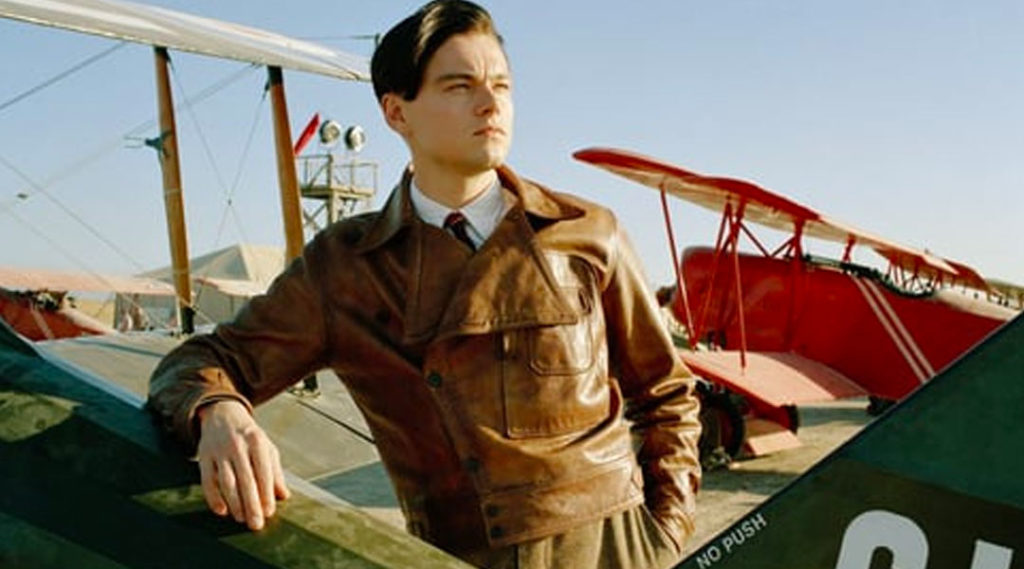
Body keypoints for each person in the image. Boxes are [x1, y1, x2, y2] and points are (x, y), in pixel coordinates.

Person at [147, 1, 701, 567]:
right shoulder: (347, 267)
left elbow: (667, 393)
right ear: (396, 112)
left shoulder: (586, 233)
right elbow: (199, 362)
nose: (490, 105)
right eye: (459, 86)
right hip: (458, 557)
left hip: (616, 548)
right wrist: (219, 410)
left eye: (502, 86)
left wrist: (664, 533)